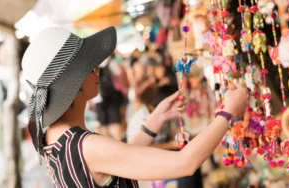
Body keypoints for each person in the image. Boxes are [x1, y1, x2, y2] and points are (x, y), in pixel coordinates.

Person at [22, 26, 249, 188]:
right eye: (90, 67)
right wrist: (227, 112)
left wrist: (153, 122)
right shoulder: (85, 146)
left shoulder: (57, 140)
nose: (97, 71)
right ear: (74, 82)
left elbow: (117, 162)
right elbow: (185, 163)